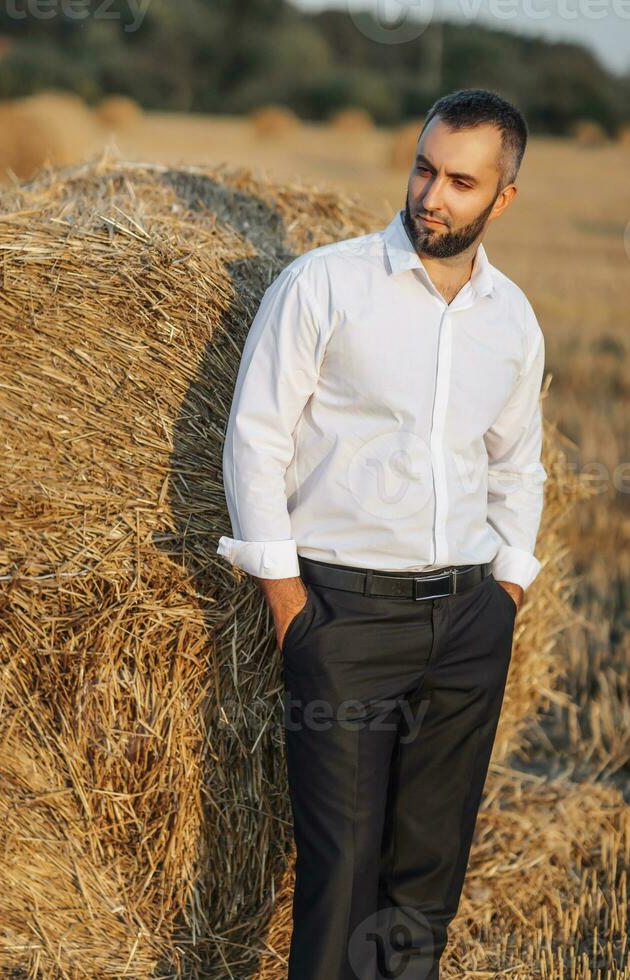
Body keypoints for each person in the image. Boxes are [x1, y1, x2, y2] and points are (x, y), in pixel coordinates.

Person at [216, 88, 547, 980]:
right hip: (344, 621)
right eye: (424, 168)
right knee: (342, 877)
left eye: (461, 182)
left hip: (470, 624)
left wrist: (508, 592)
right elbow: (255, 438)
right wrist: (290, 605)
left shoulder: (512, 321)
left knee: (425, 885)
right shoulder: (323, 285)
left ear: (501, 200)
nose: (432, 195)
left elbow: (518, 465)